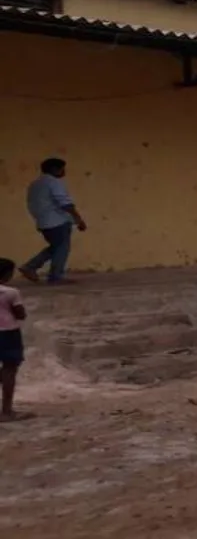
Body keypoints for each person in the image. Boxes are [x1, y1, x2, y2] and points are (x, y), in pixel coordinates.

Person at [19, 157, 87, 285]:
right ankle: (54, 276)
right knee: (61, 248)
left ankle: (31, 267)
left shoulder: (35, 184)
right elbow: (65, 203)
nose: (64, 171)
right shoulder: (54, 182)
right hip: (57, 220)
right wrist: (78, 219)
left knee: (56, 247)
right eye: (62, 169)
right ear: (54, 169)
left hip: (43, 221)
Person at [0, 258, 33, 422]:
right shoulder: (11, 292)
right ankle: (6, 411)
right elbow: (20, 314)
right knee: (10, 369)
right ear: (7, 274)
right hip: (8, 333)